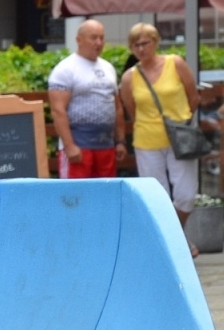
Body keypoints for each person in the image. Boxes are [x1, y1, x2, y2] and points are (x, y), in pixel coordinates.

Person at [118, 22, 201, 249]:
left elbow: (193, 97)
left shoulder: (175, 63)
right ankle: (175, 245)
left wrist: (182, 121)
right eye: (135, 45)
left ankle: (175, 236)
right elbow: (131, 110)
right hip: (147, 140)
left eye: (145, 43)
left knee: (186, 194)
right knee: (159, 197)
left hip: (180, 138)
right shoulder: (129, 77)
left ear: (155, 42)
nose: (141, 49)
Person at [48, 18, 119, 179]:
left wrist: (120, 141)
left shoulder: (108, 67)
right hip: (78, 146)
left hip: (106, 145)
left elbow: (117, 106)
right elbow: (58, 110)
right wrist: (69, 146)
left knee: (106, 194)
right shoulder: (65, 69)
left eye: (102, 38)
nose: (99, 42)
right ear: (79, 40)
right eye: (93, 37)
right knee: (75, 197)